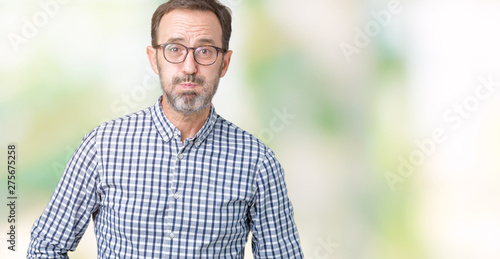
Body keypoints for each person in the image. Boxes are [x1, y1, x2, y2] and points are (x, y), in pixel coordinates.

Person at [27, 0, 303, 258]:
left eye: (205, 50)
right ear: (153, 58)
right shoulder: (103, 146)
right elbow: (45, 247)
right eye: (174, 49)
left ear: (225, 63)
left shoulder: (258, 163)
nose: (189, 67)